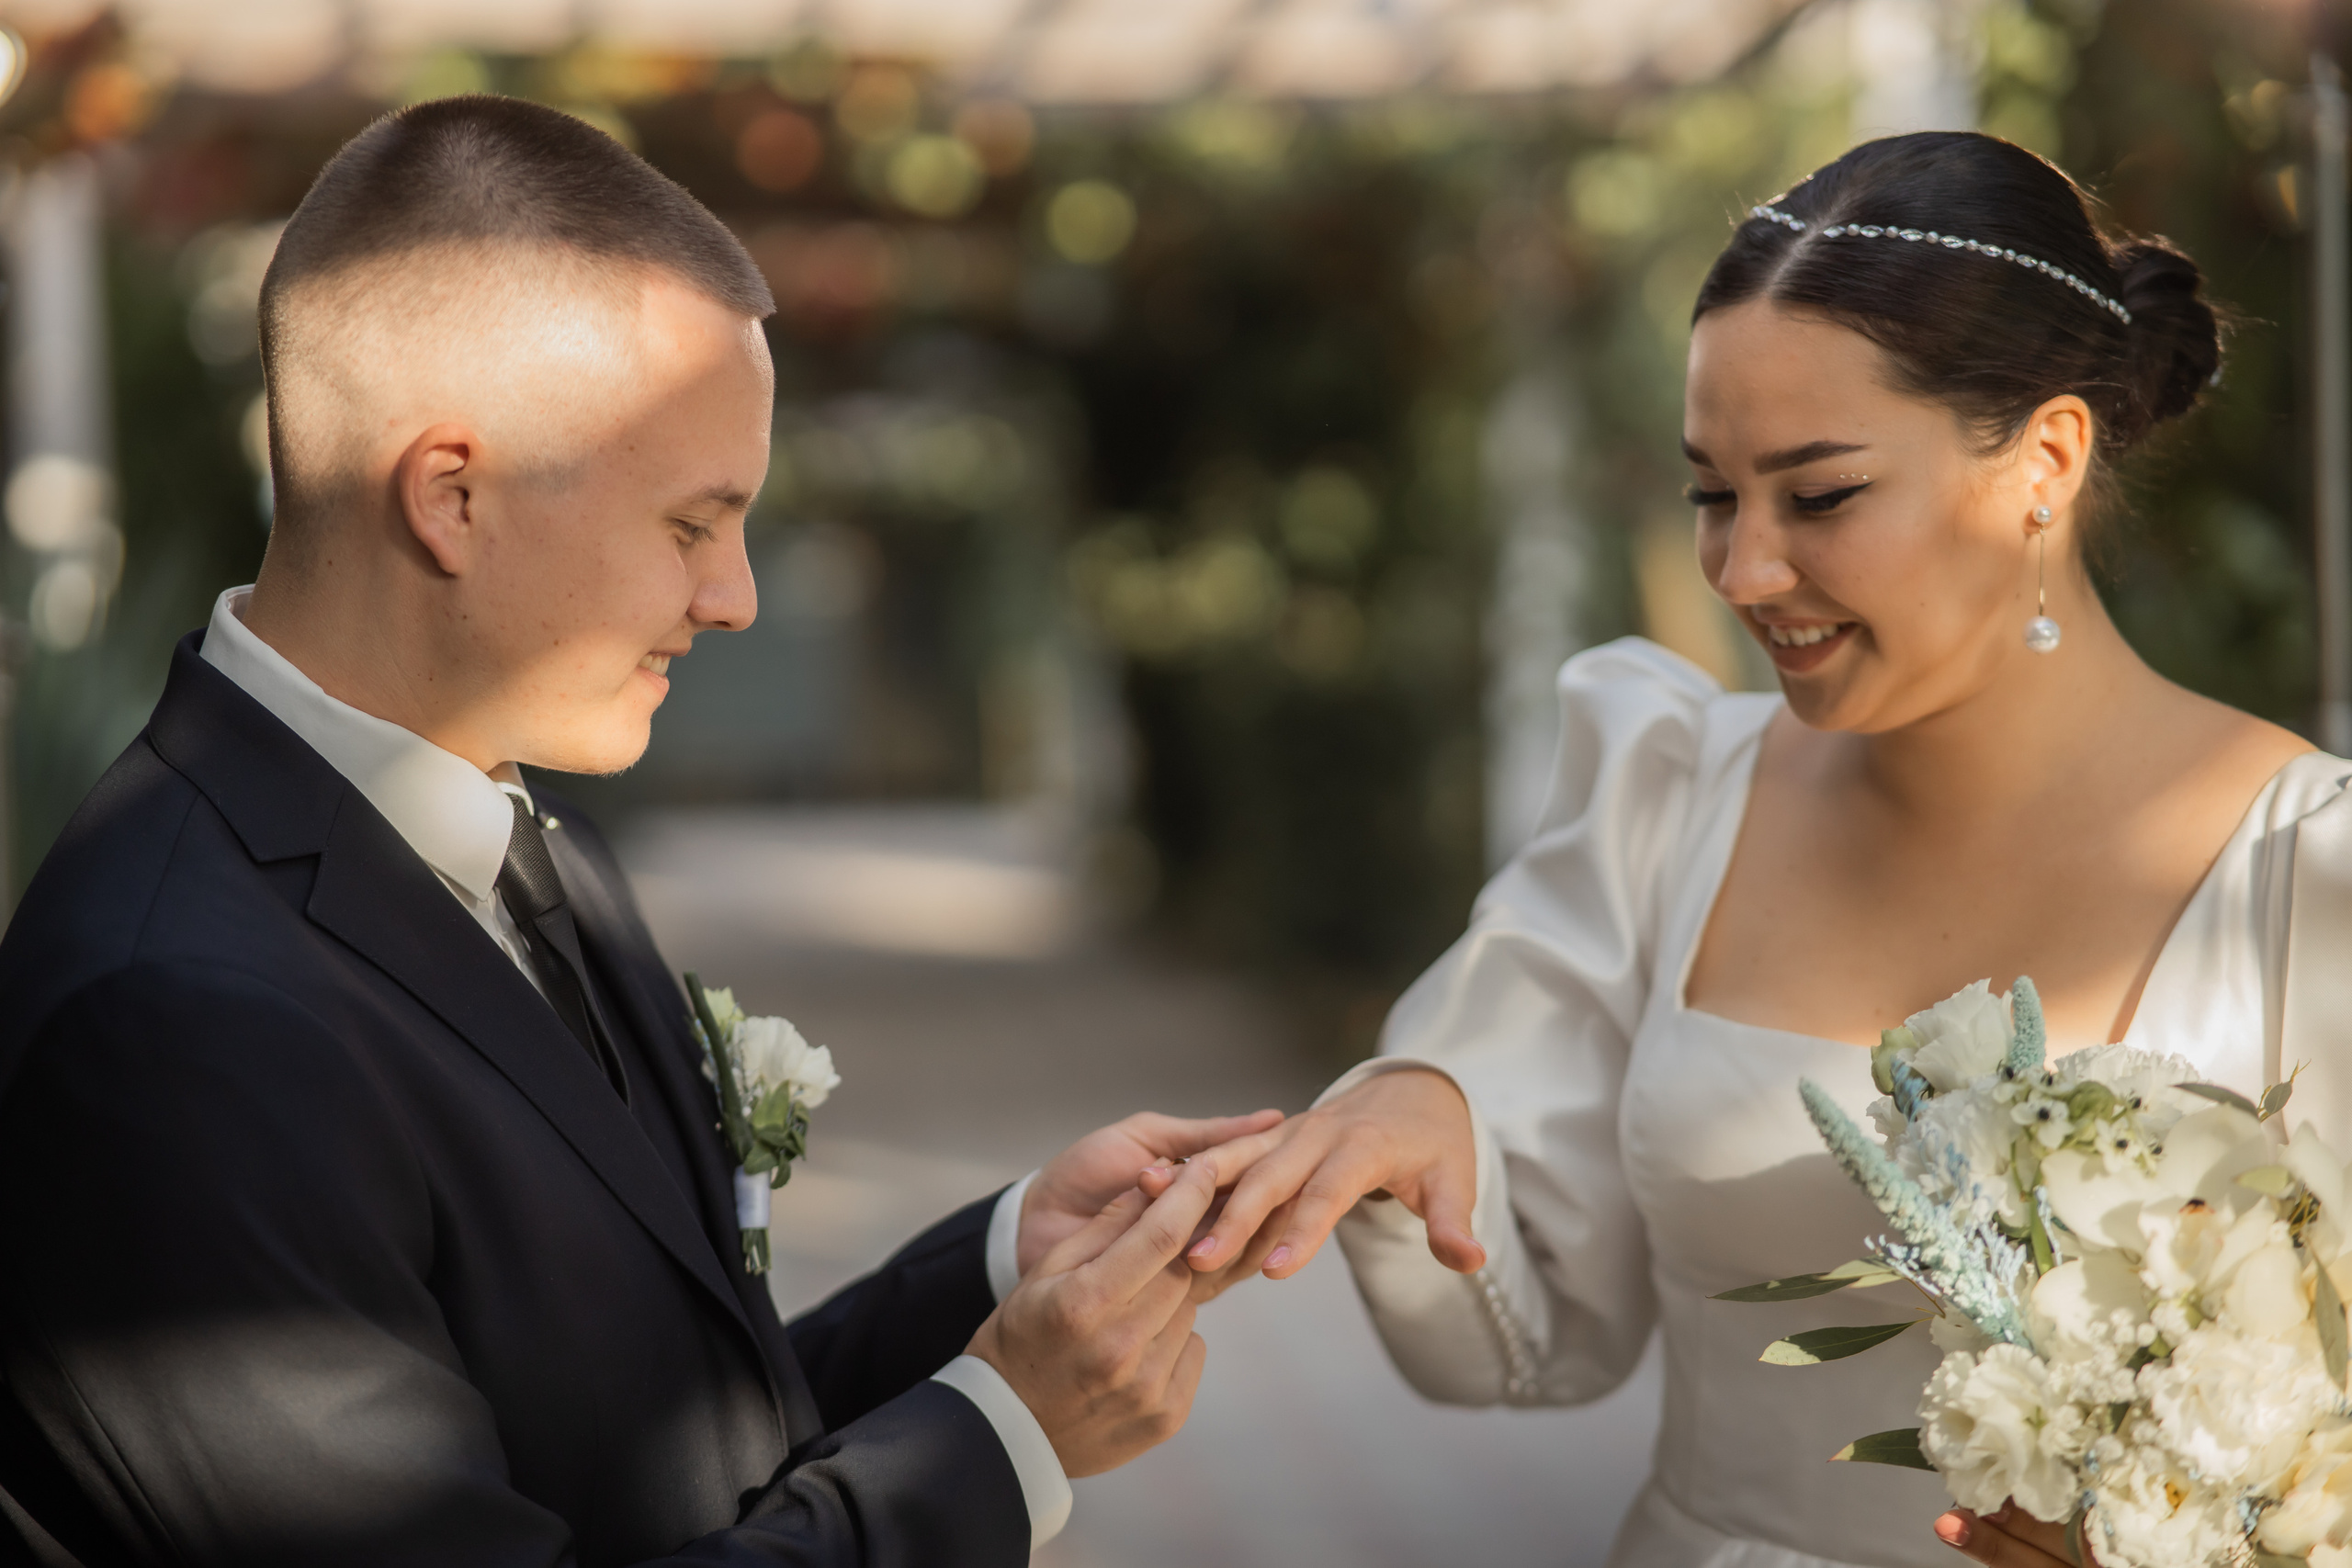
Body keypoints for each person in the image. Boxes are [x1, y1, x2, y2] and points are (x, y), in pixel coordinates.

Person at [0, 96, 1283, 1567]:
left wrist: (996, 1274)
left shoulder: (532, 852)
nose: (734, 595)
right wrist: (1004, 1439)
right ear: (453, 495)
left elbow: (662, 1450)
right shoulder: (174, 1021)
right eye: (692, 524)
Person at [1148, 130, 2346, 1568]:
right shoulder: (1671, 793)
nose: (1743, 569)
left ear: (2047, 459)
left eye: (1821, 495)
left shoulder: (2307, 880)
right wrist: (1425, 1114)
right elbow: (1528, 1341)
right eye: (1714, 493)